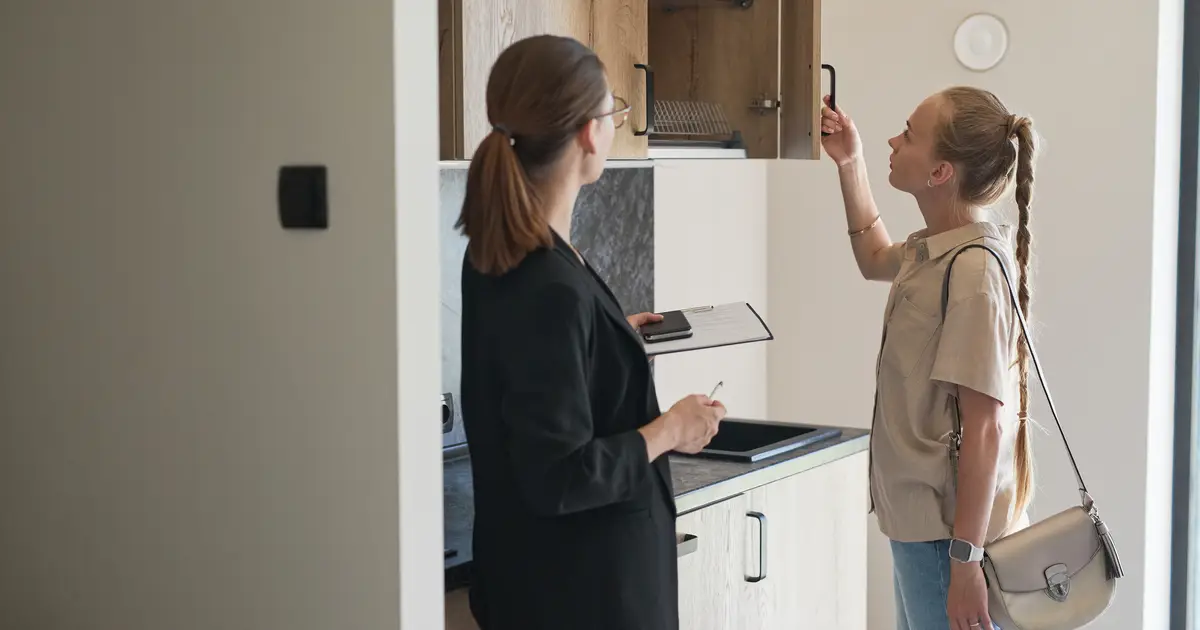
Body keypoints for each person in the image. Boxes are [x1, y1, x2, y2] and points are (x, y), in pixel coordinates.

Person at [456, 35, 726, 630]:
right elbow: (560, 475)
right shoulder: (547, 283)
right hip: (586, 595)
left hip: (548, 583)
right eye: (613, 112)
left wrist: (604, 338)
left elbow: (536, 368)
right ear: (587, 132)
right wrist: (672, 428)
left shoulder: (506, 256)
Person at [820, 87, 1038, 630]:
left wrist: (965, 563)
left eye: (909, 135)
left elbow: (985, 426)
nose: (894, 141)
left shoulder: (974, 272)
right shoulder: (939, 248)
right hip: (926, 532)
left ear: (940, 172)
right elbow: (874, 257)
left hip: (948, 541)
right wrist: (850, 162)